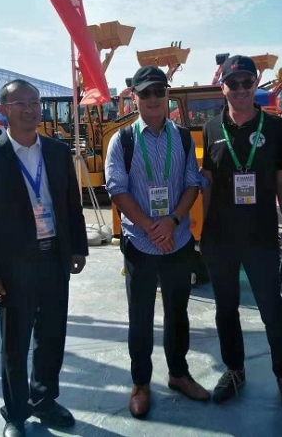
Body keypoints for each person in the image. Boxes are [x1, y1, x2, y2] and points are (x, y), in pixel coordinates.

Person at [0, 79, 89, 437]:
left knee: (52, 335)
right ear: (3, 110)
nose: (29, 109)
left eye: (34, 102)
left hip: (54, 258)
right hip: (13, 265)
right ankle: (16, 413)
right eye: (20, 103)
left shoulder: (57, 152)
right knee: (15, 342)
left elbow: (71, 204)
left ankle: (45, 399)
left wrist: (78, 246)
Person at [105, 66, 211, 419]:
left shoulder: (183, 138)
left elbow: (192, 183)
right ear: (134, 98)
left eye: (159, 91)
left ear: (168, 95)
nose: (153, 98)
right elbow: (117, 189)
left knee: (178, 313)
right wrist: (152, 227)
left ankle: (179, 374)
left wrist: (172, 221)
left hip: (177, 241)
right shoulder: (122, 140)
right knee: (140, 316)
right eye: (145, 92)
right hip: (141, 243)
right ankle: (140, 383)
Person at [200, 55, 282, 414]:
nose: (241, 89)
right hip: (220, 238)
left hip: (261, 236)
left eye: (248, 82)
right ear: (223, 87)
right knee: (226, 309)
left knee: (272, 310)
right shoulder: (211, 128)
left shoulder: (274, 126)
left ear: (256, 84)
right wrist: (203, 230)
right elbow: (208, 182)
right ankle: (234, 370)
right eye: (234, 83)